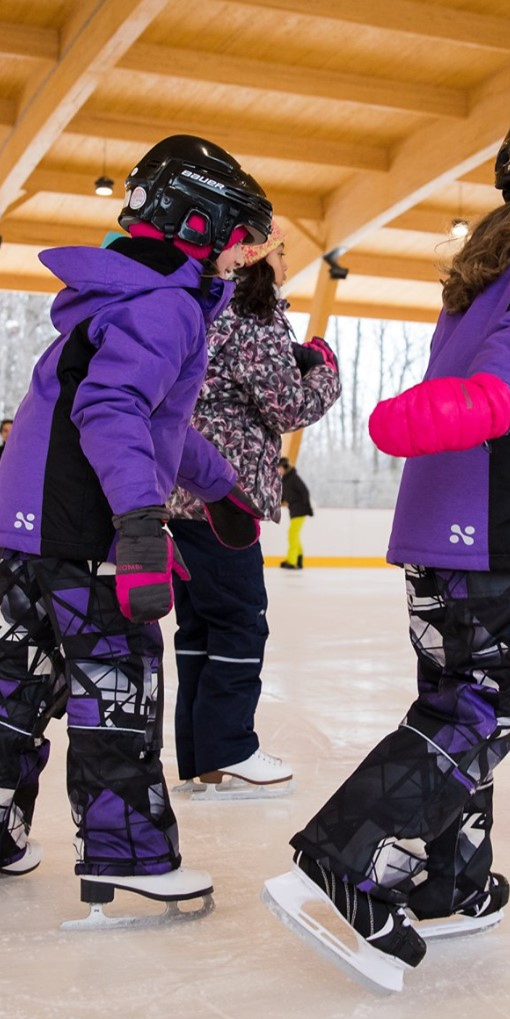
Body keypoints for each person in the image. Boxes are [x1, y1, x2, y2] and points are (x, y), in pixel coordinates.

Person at [266, 91, 510, 990]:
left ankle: (451, 882)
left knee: (455, 702)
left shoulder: (496, 269)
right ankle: (350, 858)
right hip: (497, 532)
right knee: (487, 708)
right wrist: (476, 408)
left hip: (449, 527)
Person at [0, 135, 272, 924]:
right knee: (117, 680)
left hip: (26, 531)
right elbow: (112, 410)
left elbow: (158, 421)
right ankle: (130, 854)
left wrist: (216, 486)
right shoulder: (168, 305)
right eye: (234, 239)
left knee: (19, 680)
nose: (238, 258)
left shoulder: (120, 297)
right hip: (87, 534)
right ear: (197, 226)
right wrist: (142, 527)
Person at [163, 233, 341, 799]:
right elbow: (288, 407)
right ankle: (231, 748)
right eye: (283, 254)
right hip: (225, 494)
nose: (288, 265)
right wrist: (325, 369)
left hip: (179, 491)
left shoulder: (204, 311)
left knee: (198, 626)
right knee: (239, 621)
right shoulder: (255, 318)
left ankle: (201, 756)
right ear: (258, 259)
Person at [278, 457, 312, 570]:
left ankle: (293, 561)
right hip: (295, 510)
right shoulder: (286, 479)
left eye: (279, 468)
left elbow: (305, 492)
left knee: (292, 534)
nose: (278, 470)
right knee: (294, 535)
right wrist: (282, 502)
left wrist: (303, 505)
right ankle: (298, 560)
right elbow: (286, 493)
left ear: (285, 467)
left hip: (300, 510)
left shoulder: (293, 478)